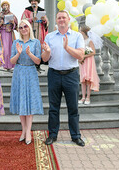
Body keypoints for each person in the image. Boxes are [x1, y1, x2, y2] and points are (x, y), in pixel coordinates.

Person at [41, 10, 85, 147]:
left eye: (63, 17)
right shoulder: (49, 37)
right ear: (56, 20)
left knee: (73, 108)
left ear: (69, 19)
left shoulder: (77, 36)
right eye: (59, 17)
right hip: (54, 74)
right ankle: (52, 135)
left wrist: (67, 48)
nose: (61, 20)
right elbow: (44, 59)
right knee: (54, 107)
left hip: (71, 75)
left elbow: (80, 56)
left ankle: (76, 136)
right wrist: (47, 52)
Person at [10, 19, 43, 145]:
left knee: (29, 102)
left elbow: (38, 61)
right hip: (19, 72)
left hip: (30, 72)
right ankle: (23, 130)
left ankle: (28, 131)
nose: (23, 29)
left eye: (25, 26)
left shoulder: (35, 42)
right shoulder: (16, 42)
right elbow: (12, 61)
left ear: (29, 28)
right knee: (21, 102)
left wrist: (29, 53)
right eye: (21, 27)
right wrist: (18, 53)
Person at [22, 0, 49, 72]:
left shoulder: (42, 11)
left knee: (39, 48)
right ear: (30, 2)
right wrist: (31, 19)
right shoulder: (27, 11)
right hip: (30, 32)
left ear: (38, 2)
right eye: (32, 1)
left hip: (40, 31)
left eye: (35, 1)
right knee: (31, 47)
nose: (34, 2)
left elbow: (47, 22)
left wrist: (44, 20)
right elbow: (23, 21)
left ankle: (38, 65)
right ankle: (30, 65)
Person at [78, 25, 100, 105]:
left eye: (80, 30)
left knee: (88, 80)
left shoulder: (89, 41)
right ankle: (83, 97)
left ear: (83, 32)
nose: (79, 32)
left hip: (88, 61)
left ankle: (88, 97)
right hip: (82, 62)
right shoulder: (80, 40)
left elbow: (93, 52)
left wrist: (84, 56)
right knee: (83, 80)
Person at [0, 1, 18, 71]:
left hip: (10, 33)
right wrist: (0, 23)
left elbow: (16, 25)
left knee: (11, 48)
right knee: (4, 49)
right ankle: (3, 65)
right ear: (2, 7)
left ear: (8, 6)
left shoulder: (12, 15)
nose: (5, 6)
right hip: (3, 33)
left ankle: (11, 65)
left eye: (6, 5)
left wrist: (13, 23)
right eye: (4, 5)